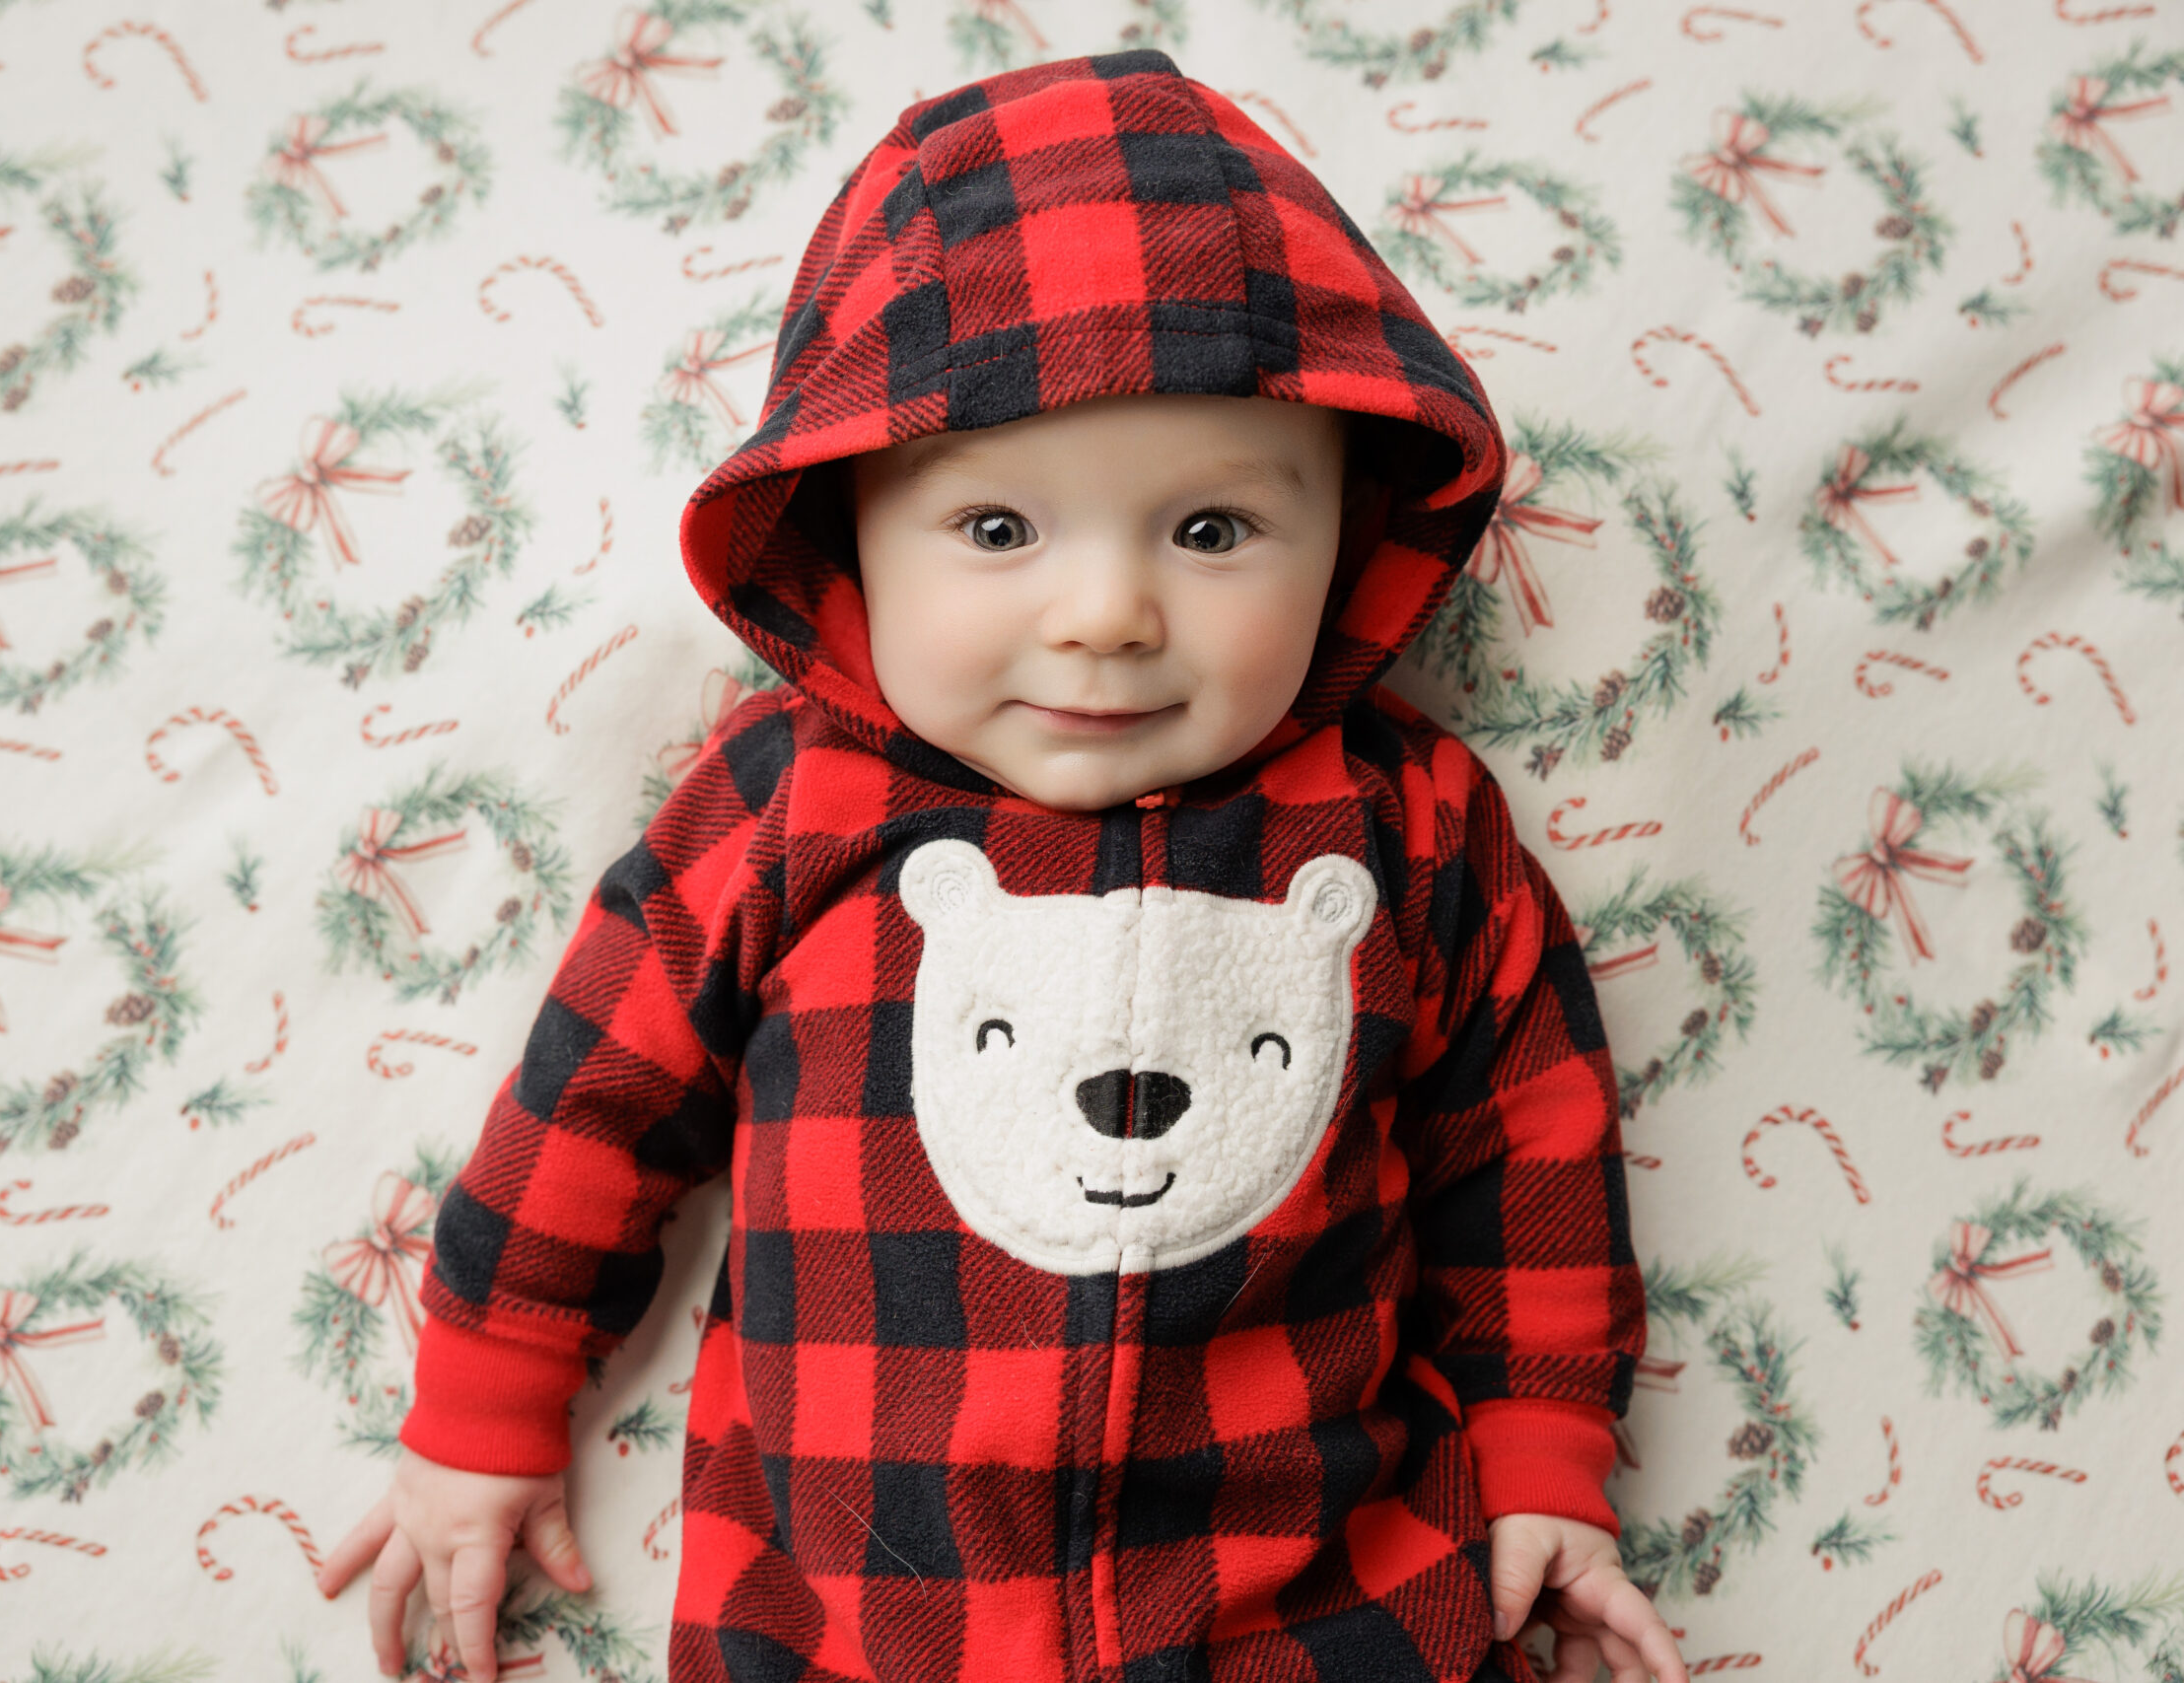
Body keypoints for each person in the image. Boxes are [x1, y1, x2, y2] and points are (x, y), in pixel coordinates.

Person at [318, 50, 1684, 1683]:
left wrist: (1545, 1449)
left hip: (1313, 1607)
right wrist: (483, 1415)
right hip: (855, 1615)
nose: (1104, 613)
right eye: (995, 532)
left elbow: (1528, 1143)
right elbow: (590, 1106)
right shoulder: (784, 807)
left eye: (1213, 531)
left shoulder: (1407, 826)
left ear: (1351, 530)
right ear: (847, 535)